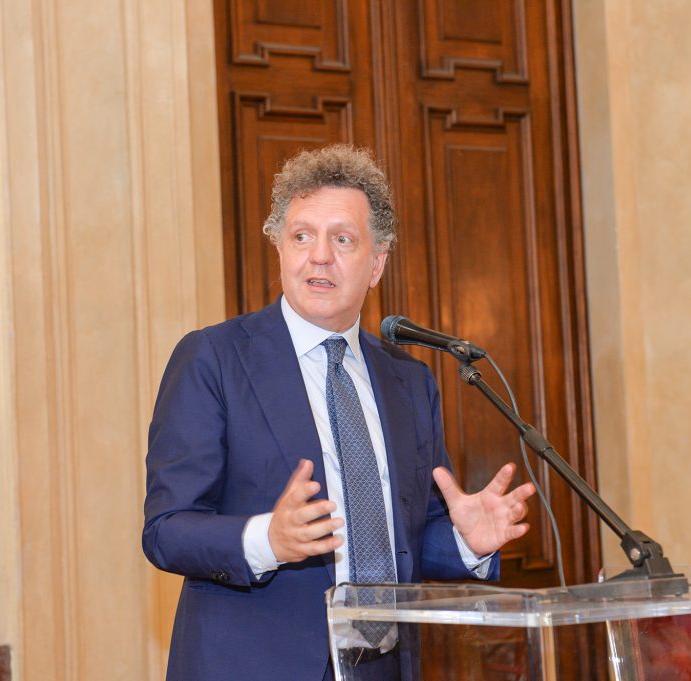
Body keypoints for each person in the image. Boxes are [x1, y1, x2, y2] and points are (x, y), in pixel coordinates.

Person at [142, 144, 537, 681]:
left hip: (382, 665)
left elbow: (403, 539)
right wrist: (267, 540)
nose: (320, 256)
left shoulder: (409, 381)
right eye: (302, 236)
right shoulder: (214, 358)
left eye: (343, 239)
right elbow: (166, 530)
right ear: (280, 249)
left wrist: (466, 542)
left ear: (377, 264)